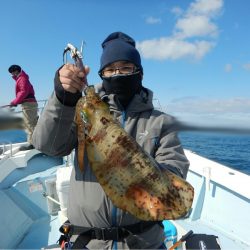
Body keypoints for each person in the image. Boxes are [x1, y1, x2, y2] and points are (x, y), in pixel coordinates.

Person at [32, 32, 190, 249]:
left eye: (126, 67)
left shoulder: (162, 123)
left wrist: (135, 166)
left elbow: (174, 172)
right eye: (110, 69)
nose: (117, 73)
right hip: (87, 243)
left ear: (139, 73)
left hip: (144, 243)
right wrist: (63, 98)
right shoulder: (83, 110)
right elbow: (49, 146)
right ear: (102, 74)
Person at [8, 65, 38, 150]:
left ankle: (32, 144)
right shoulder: (23, 78)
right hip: (31, 103)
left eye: (13, 72)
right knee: (33, 123)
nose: (12, 74)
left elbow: (23, 92)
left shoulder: (22, 79)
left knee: (29, 123)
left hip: (28, 104)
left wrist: (14, 102)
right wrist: (17, 101)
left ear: (16, 71)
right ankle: (37, 141)